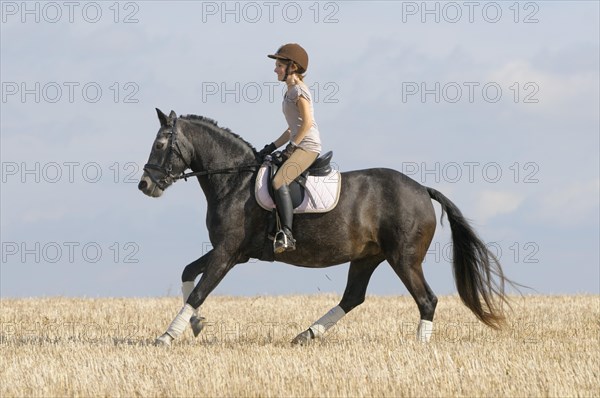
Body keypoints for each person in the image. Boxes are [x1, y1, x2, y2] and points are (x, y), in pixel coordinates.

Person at [258, 43, 322, 254]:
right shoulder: (289, 91)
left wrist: (292, 147)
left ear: (292, 67)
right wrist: (272, 146)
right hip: (298, 144)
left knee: (279, 181)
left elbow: (307, 123)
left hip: (308, 147)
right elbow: (291, 128)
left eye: (279, 65)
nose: (275, 69)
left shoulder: (299, 91)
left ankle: (287, 234)